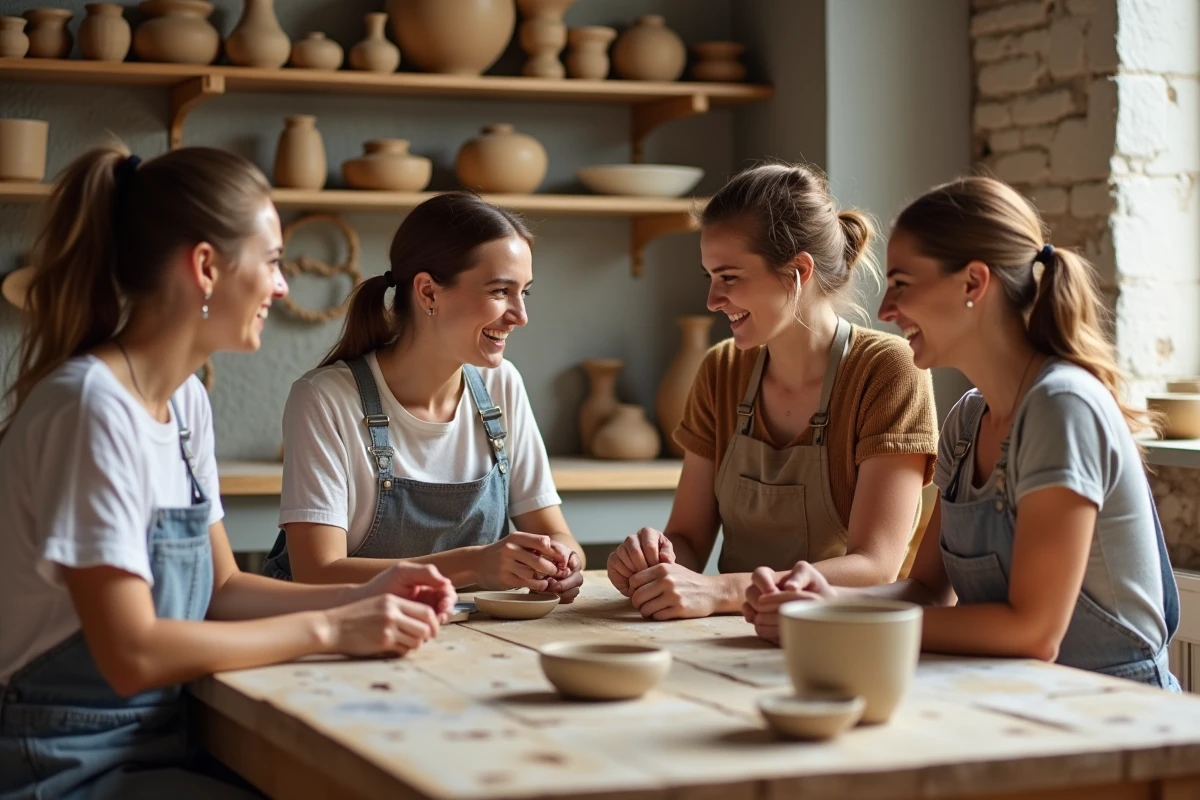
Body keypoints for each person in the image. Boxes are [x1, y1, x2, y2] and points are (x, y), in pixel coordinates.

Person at [0, 145, 459, 798]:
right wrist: (331, 629)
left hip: (156, 738)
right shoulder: (90, 410)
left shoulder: (183, 400)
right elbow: (131, 655)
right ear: (207, 267)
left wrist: (372, 593)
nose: (282, 286)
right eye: (272, 262)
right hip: (57, 758)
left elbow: (221, 590)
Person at [745, 176, 1180, 691]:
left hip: (1118, 715)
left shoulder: (1063, 406)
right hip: (1023, 700)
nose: (885, 310)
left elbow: (1035, 631)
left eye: (902, 284)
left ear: (974, 283)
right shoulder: (968, 421)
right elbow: (928, 588)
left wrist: (841, 621)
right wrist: (824, 599)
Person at [607, 163, 938, 620]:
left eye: (730, 277)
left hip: (843, 637)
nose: (712, 300)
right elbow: (689, 537)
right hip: (728, 637)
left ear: (797, 271)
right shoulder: (721, 368)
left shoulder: (888, 370)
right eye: (710, 278)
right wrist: (654, 561)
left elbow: (876, 567)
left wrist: (724, 592)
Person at [262, 192, 584, 601]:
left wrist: (564, 563)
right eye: (501, 291)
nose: (520, 315)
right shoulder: (324, 400)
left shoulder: (502, 384)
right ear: (428, 292)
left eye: (526, 292)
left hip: (469, 643)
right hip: (346, 645)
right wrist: (473, 564)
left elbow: (555, 531)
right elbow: (316, 572)